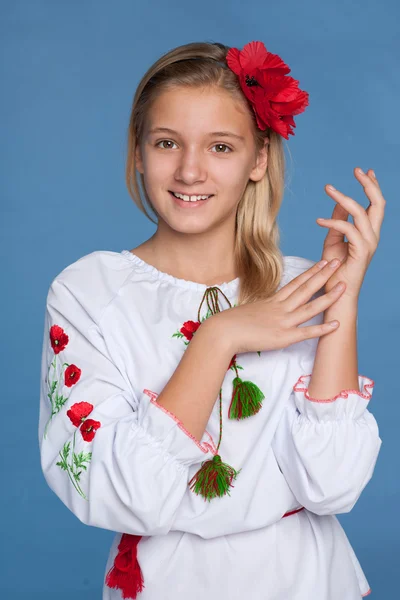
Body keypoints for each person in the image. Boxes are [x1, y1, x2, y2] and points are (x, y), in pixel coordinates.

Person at [38, 40, 384, 599]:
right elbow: (125, 495)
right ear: (138, 152)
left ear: (259, 159)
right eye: (167, 142)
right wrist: (220, 336)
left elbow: (333, 486)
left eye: (221, 146)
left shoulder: (301, 286)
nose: (190, 170)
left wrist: (341, 296)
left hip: (306, 582)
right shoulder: (90, 293)